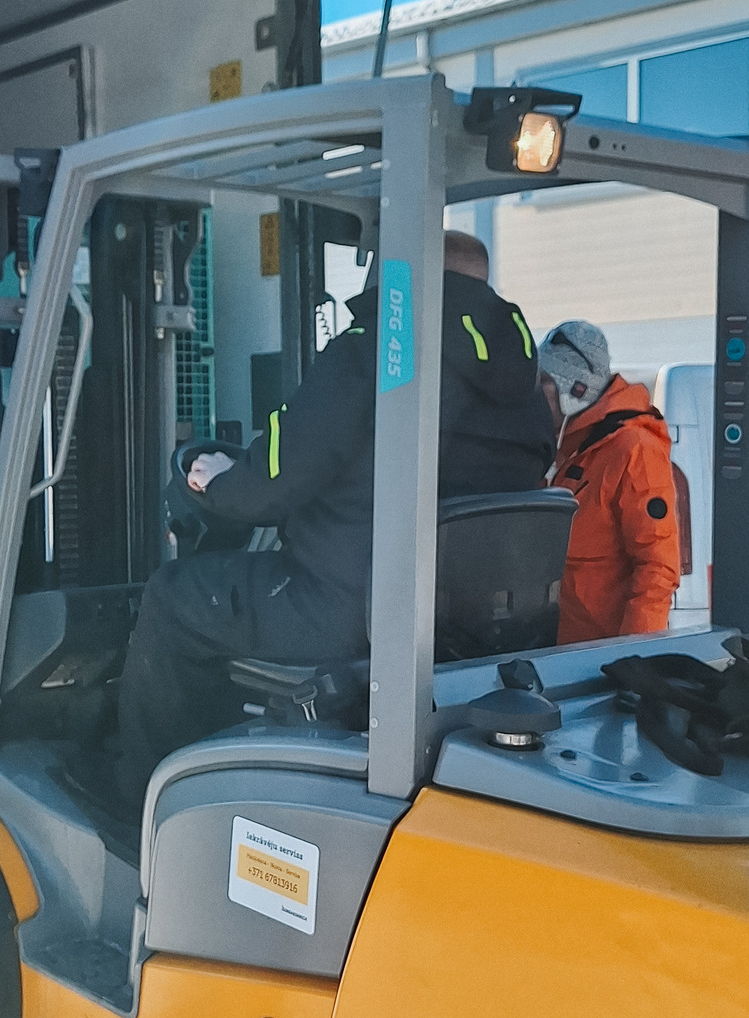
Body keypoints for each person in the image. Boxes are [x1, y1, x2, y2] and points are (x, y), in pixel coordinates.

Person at [110, 231, 554, 805]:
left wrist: (219, 479)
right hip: (461, 625)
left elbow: (273, 482)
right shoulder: (524, 392)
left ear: (400, 275)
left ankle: (146, 802)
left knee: (175, 596)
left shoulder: (371, 355)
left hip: (344, 608)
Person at [539, 319, 682, 645]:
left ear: (574, 391)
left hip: (601, 657)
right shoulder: (574, 449)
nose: (534, 392)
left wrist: (632, 658)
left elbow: (657, 567)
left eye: (544, 381)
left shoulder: (633, 450)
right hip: (563, 651)